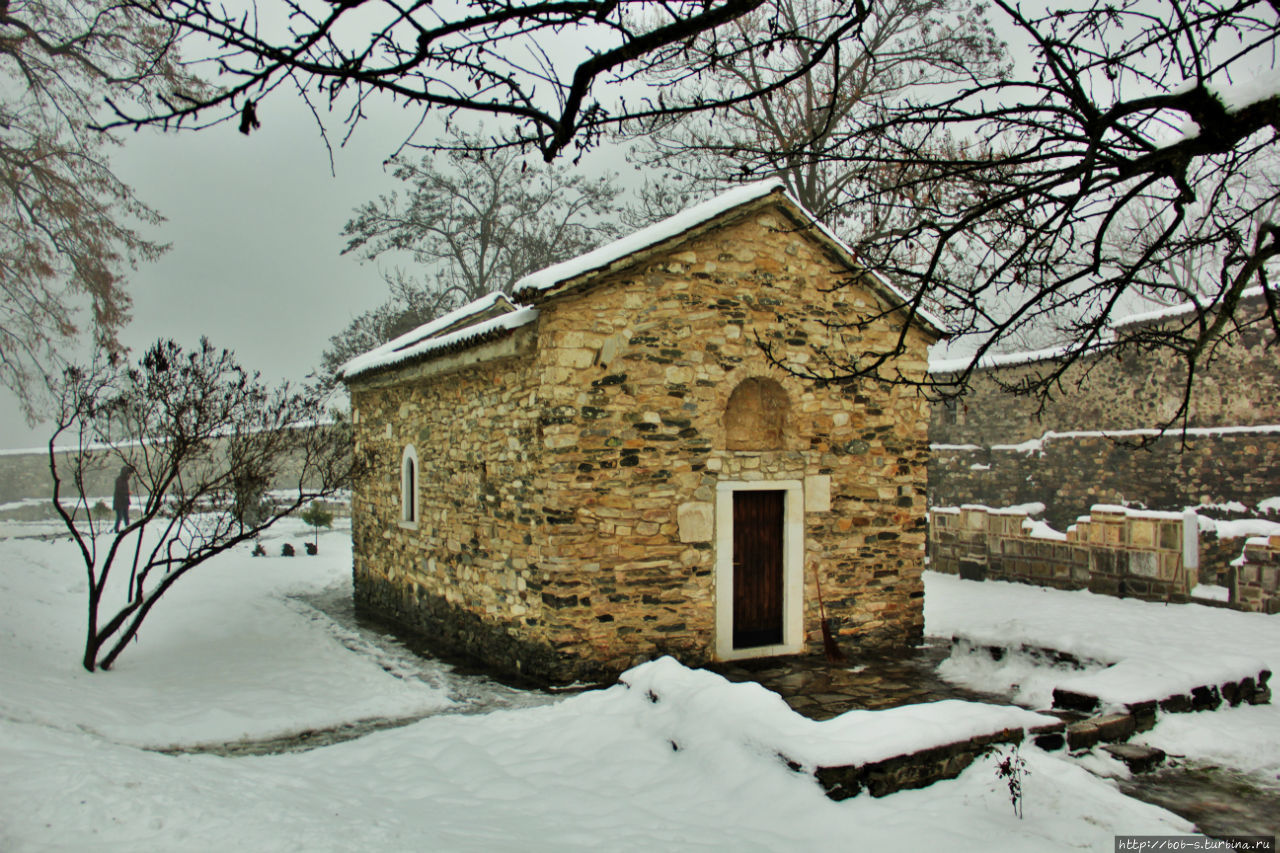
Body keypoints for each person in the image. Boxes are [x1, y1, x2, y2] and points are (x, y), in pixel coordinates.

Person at [112, 466, 132, 533]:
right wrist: (127, 493)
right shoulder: (119, 480)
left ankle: (128, 529)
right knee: (119, 517)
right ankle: (116, 530)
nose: (129, 475)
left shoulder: (124, 480)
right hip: (119, 502)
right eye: (128, 473)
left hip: (124, 501)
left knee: (126, 516)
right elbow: (119, 491)